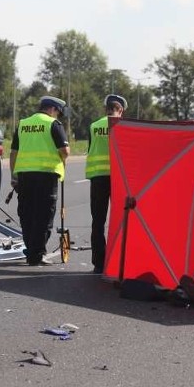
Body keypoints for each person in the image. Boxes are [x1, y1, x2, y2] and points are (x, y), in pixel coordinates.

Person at [10, 96, 70, 266]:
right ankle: (36, 254)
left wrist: (14, 176)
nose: (57, 116)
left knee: (27, 214)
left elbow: (13, 152)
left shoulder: (23, 124)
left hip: (25, 176)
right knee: (43, 216)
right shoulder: (53, 124)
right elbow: (64, 151)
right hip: (47, 176)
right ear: (53, 109)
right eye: (57, 112)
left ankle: (31, 250)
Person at [86, 94, 127, 274]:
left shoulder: (94, 126)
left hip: (97, 176)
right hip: (117, 178)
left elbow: (90, 149)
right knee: (120, 220)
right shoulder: (122, 126)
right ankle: (118, 261)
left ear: (106, 109)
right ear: (121, 111)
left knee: (98, 221)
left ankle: (99, 263)